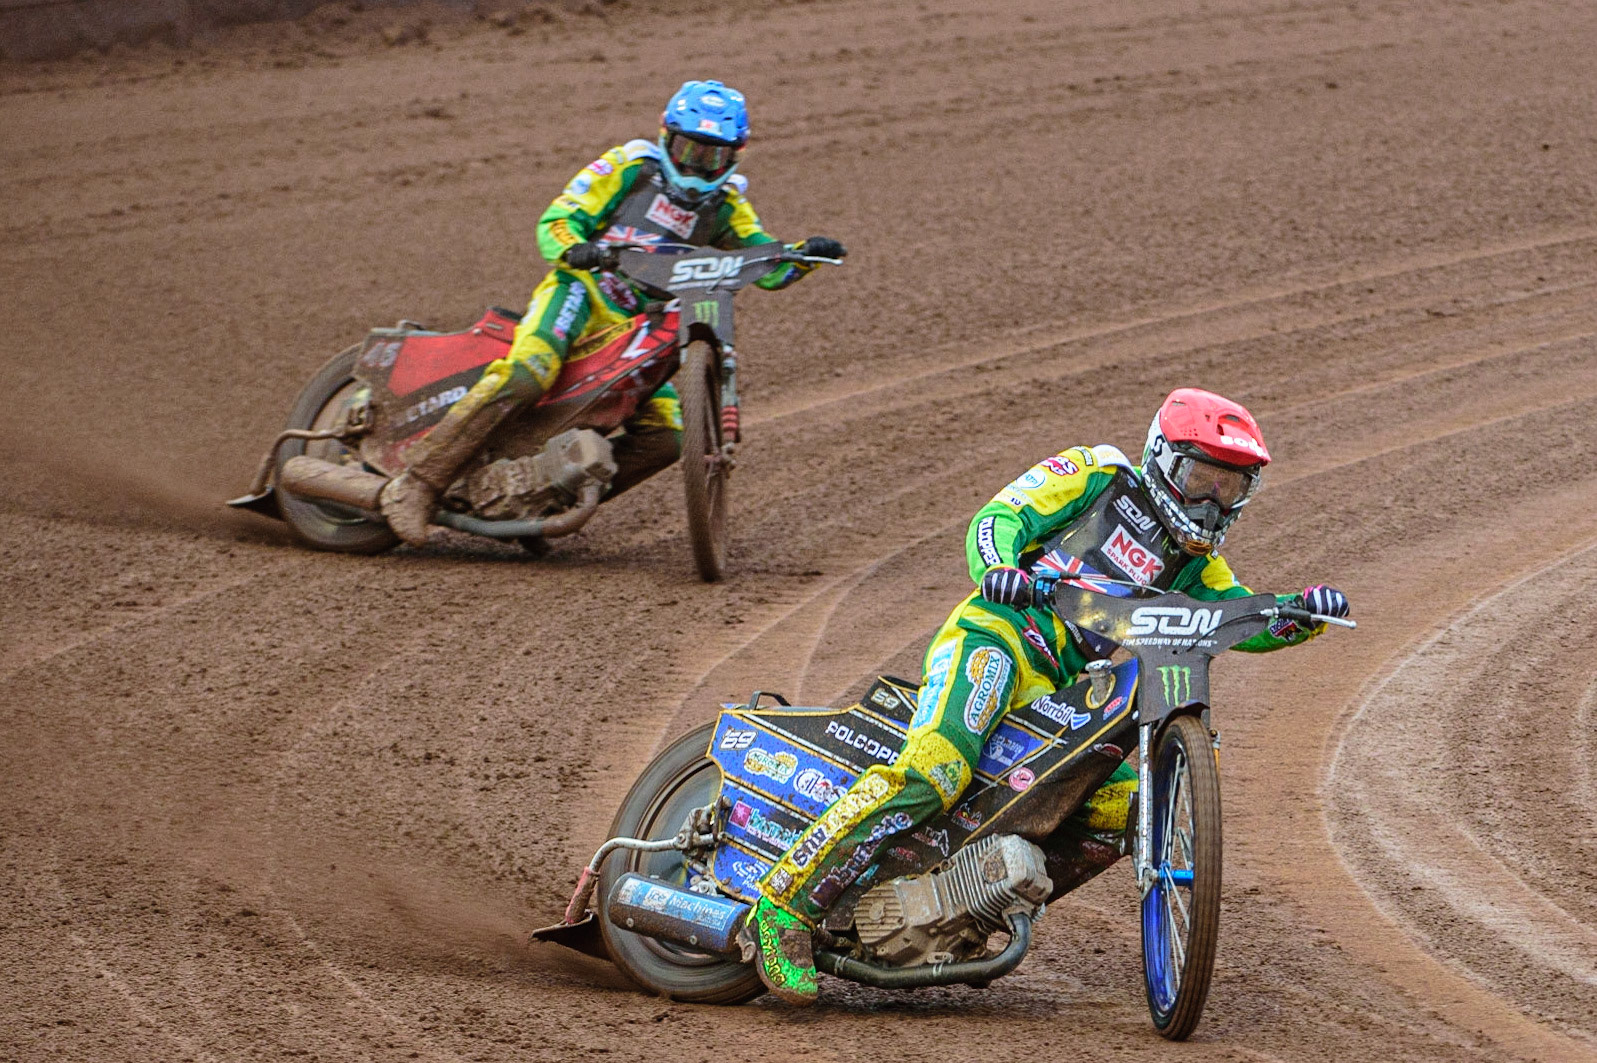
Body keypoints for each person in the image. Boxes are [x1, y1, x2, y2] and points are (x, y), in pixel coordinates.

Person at [738, 387, 1351, 1004]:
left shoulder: (1196, 566)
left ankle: (967, 911)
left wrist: (1300, 613)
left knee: (1132, 815)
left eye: (1231, 488)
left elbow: (1236, 614)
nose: (1214, 504)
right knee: (938, 768)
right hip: (997, 638)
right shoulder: (1100, 475)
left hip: (1061, 693)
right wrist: (999, 568)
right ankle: (783, 907)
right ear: (1165, 460)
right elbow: (998, 519)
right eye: (1203, 480)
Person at [380, 79, 846, 544]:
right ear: (667, 136)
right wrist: (576, 249)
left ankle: (545, 500)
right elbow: (558, 219)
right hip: (583, 294)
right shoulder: (630, 167)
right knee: (528, 373)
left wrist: (801, 256)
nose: (697, 166)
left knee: (669, 438)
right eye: (689, 149)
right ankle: (418, 484)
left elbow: (761, 265)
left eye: (713, 156)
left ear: (736, 156)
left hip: (646, 327)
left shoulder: (728, 206)